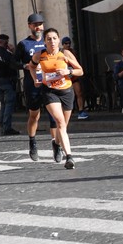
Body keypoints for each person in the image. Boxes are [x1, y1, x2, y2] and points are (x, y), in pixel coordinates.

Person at [29, 28, 83, 169]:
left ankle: (56, 144)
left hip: (66, 91)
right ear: (44, 42)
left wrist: (68, 71)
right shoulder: (40, 55)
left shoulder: (65, 53)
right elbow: (31, 67)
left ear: (58, 40)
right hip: (49, 91)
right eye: (48, 39)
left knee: (63, 125)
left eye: (54, 38)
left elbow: (80, 71)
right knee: (60, 123)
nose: (52, 41)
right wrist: (36, 79)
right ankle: (69, 157)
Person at [14, 13, 59, 161]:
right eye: (35, 24)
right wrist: (25, 66)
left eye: (40, 24)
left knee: (54, 115)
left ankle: (56, 145)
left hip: (49, 83)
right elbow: (12, 63)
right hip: (32, 84)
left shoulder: (48, 42)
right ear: (29, 26)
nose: (38, 27)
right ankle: (32, 142)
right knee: (35, 115)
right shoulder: (24, 44)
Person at [0, 34, 20, 136]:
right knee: (9, 105)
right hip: (8, 82)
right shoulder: (7, 55)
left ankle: (3, 125)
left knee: (3, 105)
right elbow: (16, 64)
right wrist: (13, 51)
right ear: (6, 43)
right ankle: (7, 127)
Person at [61, 36, 89, 120]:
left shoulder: (73, 52)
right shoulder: (61, 53)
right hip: (65, 78)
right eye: (66, 43)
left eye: (69, 43)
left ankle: (81, 111)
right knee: (64, 95)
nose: (68, 45)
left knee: (79, 92)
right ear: (63, 44)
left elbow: (77, 65)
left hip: (73, 76)